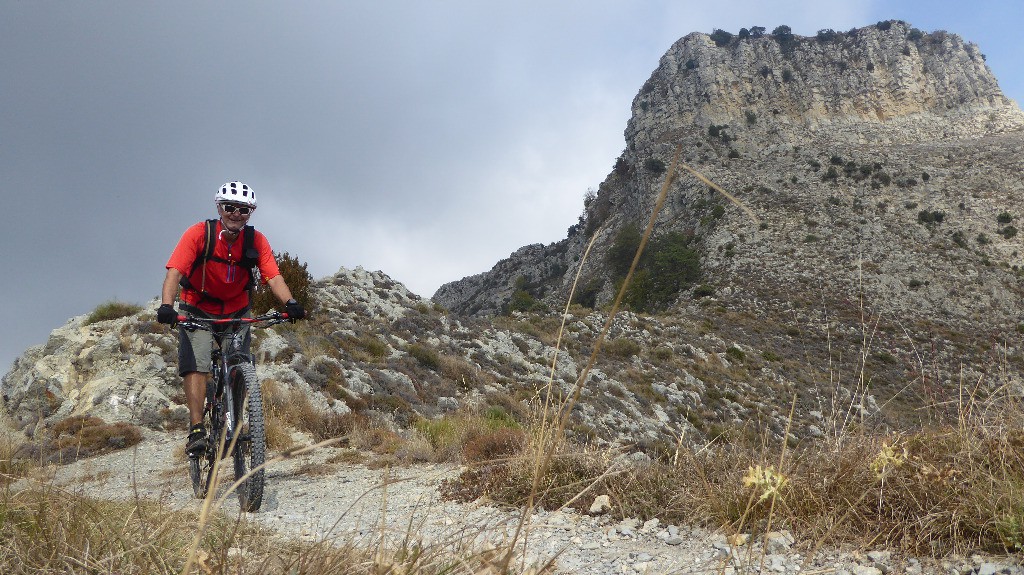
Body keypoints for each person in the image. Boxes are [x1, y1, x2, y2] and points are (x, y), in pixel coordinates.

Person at [157, 181, 305, 455]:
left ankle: (234, 417)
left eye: (244, 210)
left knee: (240, 362)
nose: (236, 214)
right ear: (219, 208)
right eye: (230, 208)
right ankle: (198, 429)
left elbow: (273, 276)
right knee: (198, 363)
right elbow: (174, 273)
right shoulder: (199, 234)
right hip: (197, 310)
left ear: (250, 213)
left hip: (236, 311)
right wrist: (167, 306)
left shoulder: (256, 240)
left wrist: (291, 302)